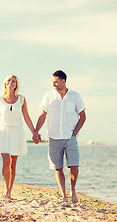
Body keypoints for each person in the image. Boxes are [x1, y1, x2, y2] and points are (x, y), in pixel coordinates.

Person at [33, 70, 86, 203]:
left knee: (74, 165)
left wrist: (74, 134)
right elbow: (43, 115)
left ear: (63, 81)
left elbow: (83, 116)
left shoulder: (75, 96)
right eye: (52, 82)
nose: (54, 85)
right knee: (58, 167)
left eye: (56, 82)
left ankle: (73, 191)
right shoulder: (48, 96)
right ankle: (63, 195)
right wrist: (36, 131)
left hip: (70, 137)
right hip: (54, 137)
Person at [0, 75, 39, 200]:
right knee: (5, 161)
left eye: (13, 81)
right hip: (3, 131)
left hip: (17, 131)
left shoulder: (21, 99)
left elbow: (27, 117)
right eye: (9, 81)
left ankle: (9, 191)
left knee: (13, 163)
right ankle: (6, 189)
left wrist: (34, 132)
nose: (11, 83)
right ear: (5, 84)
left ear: (16, 85)